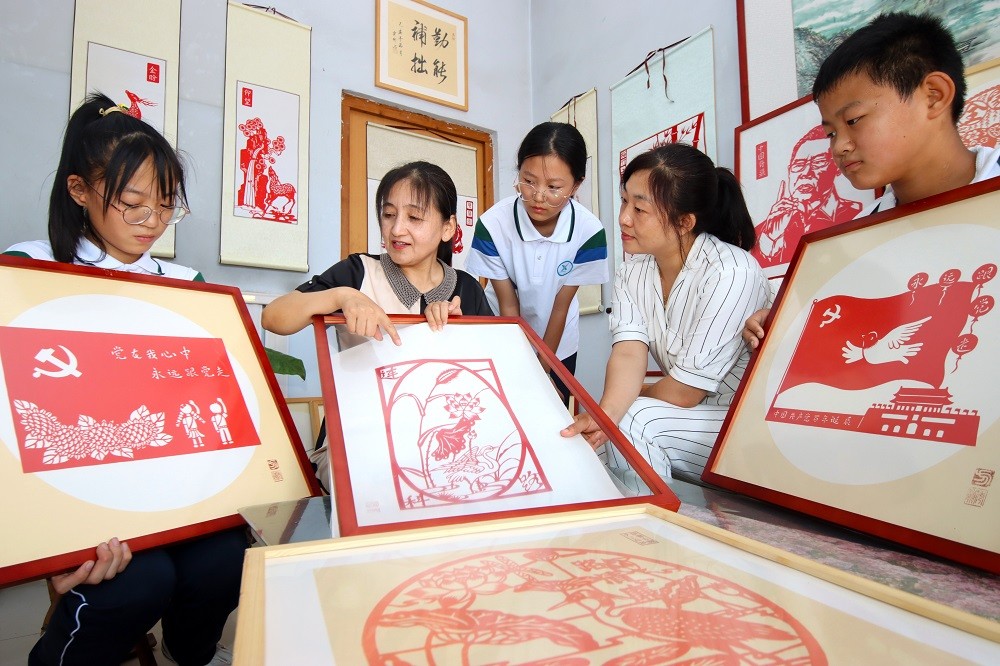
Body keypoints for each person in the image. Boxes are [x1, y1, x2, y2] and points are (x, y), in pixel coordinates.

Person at [4, 93, 242, 666]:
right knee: (135, 581)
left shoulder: (186, 283)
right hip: (79, 493)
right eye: (133, 203)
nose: (151, 222)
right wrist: (46, 541)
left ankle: (191, 653)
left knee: (225, 557)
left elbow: (213, 391)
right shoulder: (28, 269)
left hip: (178, 485)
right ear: (79, 190)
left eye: (165, 205)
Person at [743, 12, 1000, 349]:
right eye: (831, 133)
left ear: (934, 96)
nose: (839, 146)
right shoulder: (854, 240)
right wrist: (788, 325)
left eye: (854, 120)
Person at [261, 161, 493, 488]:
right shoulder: (358, 272)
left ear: (447, 227)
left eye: (414, 217)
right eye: (388, 215)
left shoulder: (466, 288)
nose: (396, 229)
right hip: (358, 437)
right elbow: (273, 317)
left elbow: (492, 376)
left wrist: (460, 336)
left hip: (436, 440)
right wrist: (341, 296)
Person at [561, 143, 768, 486]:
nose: (624, 217)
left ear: (684, 222)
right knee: (590, 445)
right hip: (686, 417)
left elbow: (686, 392)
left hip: (743, 422)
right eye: (624, 200)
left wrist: (628, 401)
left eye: (639, 209)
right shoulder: (633, 270)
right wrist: (606, 414)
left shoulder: (731, 271)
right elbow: (628, 353)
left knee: (632, 418)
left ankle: (656, 520)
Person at [465, 122, 608, 404]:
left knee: (552, 411)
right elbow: (509, 306)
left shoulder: (589, 232)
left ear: (576, 185)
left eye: (554, 187)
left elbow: (560, 307)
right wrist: (522, 369)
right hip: (504, 334)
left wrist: (542, 371)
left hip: (558, 345)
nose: (539, 196)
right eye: (529, 181)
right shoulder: (493, 225)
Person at [752, 125, 863, 268]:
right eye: (799, 165)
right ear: (789, 171)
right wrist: (770, 238)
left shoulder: (858, 213)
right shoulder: (765, 230)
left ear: (836, 168)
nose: (805, 173)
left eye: (818, 163)